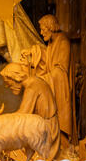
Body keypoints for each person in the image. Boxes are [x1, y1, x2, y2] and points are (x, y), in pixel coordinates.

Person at [21, 14, 72, 149]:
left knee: (60, 118)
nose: (41, 32)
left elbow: (61, 70)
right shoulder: (51, 43)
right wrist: (32, 53)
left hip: (60, 86)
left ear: (51, 28)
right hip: (53, 84)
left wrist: (43, 79)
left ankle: (61, 146)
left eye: (43, 29)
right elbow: (47, 59)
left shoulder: (63, 42)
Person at [0, 62, 61, 161]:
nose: (7, 86)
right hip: (41, 128)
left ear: (14, 78)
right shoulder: (34, 83)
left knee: (10, 145)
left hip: (45, 132)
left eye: (7, 83)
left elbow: (22, 114)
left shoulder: (32, 86)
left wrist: (0, 121)